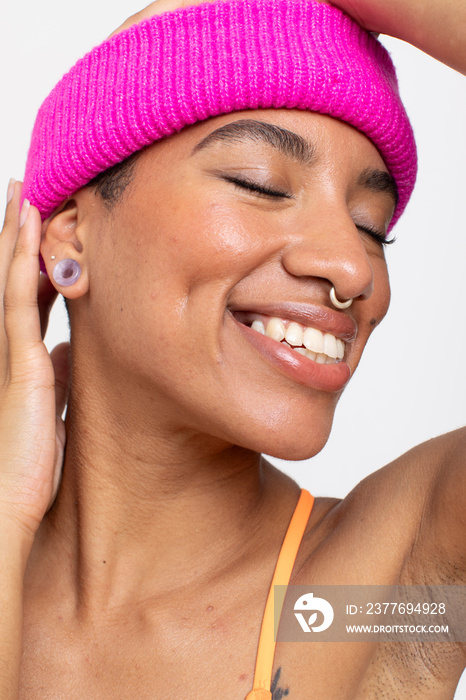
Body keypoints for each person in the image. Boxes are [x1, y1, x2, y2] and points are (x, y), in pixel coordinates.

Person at [1, 0, 465, 698]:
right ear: (70, 236)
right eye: (260, 183)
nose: (353, 268)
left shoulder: (358, 603)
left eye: (372, 226)